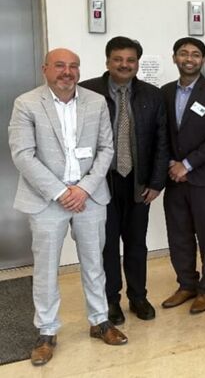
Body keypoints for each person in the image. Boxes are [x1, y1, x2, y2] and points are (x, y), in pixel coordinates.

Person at [9, 48, 127, 366]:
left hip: (89, 196)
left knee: (95, 262)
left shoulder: (96, 102)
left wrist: (84, 189)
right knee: (46, 268)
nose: (67, 71)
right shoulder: (26, 104)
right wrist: (61, 192)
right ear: (45, 69)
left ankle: (100, 321)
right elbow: (23, 155)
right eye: (60, 65)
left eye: (73, 66)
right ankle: (47, 331)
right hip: (46, 199)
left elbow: (106, 149)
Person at [80, 37, 169, 324]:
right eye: (118, 59)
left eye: (130, 60)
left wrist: (156, 182)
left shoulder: (152, 95)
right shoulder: (88, 92)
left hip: (138, 182)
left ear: (137, 64)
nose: (124, 65)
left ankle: (138, 296)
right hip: (101, 183)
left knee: (136, 243)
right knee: (106, 245)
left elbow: (162, 141)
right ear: (107, 61)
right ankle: (111, 300)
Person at [160, 37, 205, 315]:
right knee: (178, 235)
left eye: (195, 54)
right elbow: (160, 134)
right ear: (174, 58)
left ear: (203, 60)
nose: (189, 58)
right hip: (173, 179)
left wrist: (187, 165)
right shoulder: (164, 92)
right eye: (183, 53)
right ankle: (186, 284)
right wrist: (172, 165)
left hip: (204, 178)